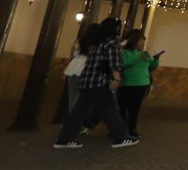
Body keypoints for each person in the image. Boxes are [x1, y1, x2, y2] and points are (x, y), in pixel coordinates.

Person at [53, 18, 138, 149]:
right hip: (99, 83)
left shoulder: (95, 44)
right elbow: (114, 64)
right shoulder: (111, 44)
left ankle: (64, 140)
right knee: (110, 110)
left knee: (77, 113)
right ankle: (120, 138)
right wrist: (116, 79)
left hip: (87, 82)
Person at [117, 30, 161, 139]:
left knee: (135, 109)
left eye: (144, 42)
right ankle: (118, 129)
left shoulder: (146, 54)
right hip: (127, 84)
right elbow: (122, 64)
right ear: (134, 42)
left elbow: (151, 67)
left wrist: (156, 60)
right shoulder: (124, 52)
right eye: (141, 42)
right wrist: (137, 58)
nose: (143, 44)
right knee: (122, 108)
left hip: (142, 85)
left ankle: (132, 129)